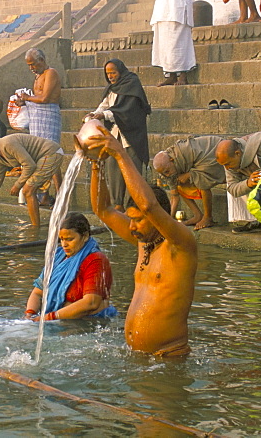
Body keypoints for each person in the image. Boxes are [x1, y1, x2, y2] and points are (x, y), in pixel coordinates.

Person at [83, 129, 197, 357]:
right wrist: (97, 164)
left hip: (167, 359)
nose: (131, 227)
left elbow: (149, 206)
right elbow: (102, 209)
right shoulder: (144, 243)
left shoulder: (181, 244)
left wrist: (120, 154)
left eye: (136, 221)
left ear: (158, 219)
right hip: (137, 357)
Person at [25, 212, 117, 321]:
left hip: (87, 324)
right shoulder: (58, 257)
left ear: (85, 236)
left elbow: (91, 302)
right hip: (56, 322)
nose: (64, 244)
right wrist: (30, 315)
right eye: (62, 239)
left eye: (69, 239)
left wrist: (50, 317)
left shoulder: (96, 260)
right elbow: (37, 293)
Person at [85, 59, 151, 209]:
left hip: (132, 136)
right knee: (113, 168)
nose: (110, 76)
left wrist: (105, 115)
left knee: (133, 170)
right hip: (115, 135)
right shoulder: (112, 88)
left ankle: (137, 204)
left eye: (113, 73)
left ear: (120, 71)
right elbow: (105, 105)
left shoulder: (132, 84)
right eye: (108, 74)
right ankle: (118, 204)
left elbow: (127, 110)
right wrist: (95, 114)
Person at [0, 132, 64, 228]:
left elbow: (29, 165)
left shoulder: (7, 144)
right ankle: (36, 225)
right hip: (41, 158)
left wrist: (17, 185)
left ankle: (35, 228)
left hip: (51, 153)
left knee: (28, 190)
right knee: (28, 190)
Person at [152, 135, 225, 230]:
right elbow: (174, 197)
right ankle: (198, 215)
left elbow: (205, 167)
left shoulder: (185, 152)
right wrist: (168, 221)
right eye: (164, 173)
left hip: (215, 151)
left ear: (172, 160)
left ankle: (208, 217)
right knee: (179, 183)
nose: (167, 174)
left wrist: (190, 174)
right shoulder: (167, 168)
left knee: (202, 180)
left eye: (167, 171)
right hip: (200, 165)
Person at [16, 48, 62, 143]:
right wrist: (24, 102)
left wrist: (27, 97)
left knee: (48, 146)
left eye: (33, 64)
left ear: (41, 60)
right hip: (37, 118)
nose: (31, 68)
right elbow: (37, 98)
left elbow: (45, 98)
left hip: (49, 116)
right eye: (29, 65)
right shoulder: (38, 76)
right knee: (37, 146)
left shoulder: (50, 72)